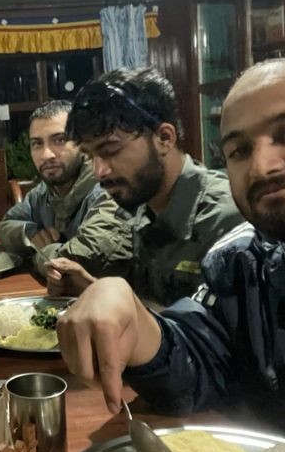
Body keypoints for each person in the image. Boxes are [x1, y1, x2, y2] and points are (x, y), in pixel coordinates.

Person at [57, 59, 285, 452]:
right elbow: (197, 363)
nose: (262, 166)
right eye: (238, 150)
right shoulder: (242, 258)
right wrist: (133, 317)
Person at [51, 67, 242, 305]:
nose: (99, 171)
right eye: (90, 157)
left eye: (110, 151)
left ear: (164, 138)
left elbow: (215, 338)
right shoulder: (141, 204)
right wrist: (91, 289)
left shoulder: (227, 223)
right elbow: (157, 315)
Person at [0, 100, 132, 281]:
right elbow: (7, 224)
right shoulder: (44, 191)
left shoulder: (107, 188)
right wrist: (29, 233)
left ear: (83, 144)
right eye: (37, 144)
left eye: (59, 140)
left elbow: (84, 259)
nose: (47, 155)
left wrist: (39, 254)